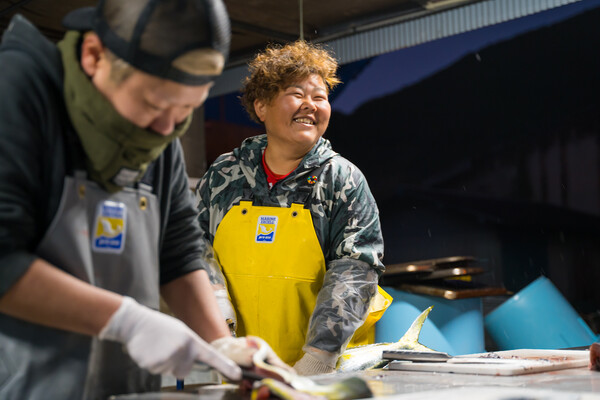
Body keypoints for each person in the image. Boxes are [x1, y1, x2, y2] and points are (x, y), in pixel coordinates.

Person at [0, 1, 286, 399]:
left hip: (126, 390)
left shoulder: (156, 135)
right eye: (154, 104)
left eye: (185, 110)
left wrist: (224, 346)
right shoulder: (18, 91)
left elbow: (177, 251)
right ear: (94, 55)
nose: (167, 128)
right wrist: (125, 320)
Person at [195, 40, 387, 376]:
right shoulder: (224, 174)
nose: (311, 105)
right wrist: (218, 316)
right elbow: (195, 246)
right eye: (297, 94)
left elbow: (356, 270)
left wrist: (318, 359)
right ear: (262, 107)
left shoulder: (341, 180)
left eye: (320, 97)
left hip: (320, 373)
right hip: (237, 367)